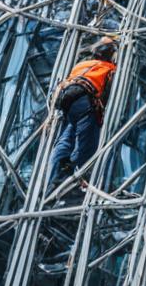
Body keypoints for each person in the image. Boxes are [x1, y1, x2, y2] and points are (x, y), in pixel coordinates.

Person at [49, 36, 117, 185]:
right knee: (87, 144)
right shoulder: (109, 68)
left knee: (67, 140)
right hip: (85, 102)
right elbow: (110, 92)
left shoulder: (82, 65)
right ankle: (72, 180)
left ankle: (56, 176)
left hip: (68, 102)